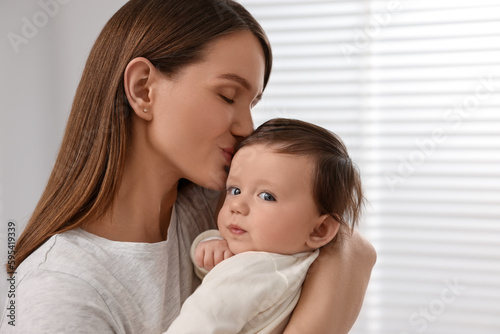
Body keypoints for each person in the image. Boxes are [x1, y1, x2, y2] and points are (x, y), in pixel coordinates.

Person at [0, 1, 375, 333]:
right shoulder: (60, 291)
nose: (246, 127)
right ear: (144, 88)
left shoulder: (215, 205)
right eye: (228, 95)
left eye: (252, 103)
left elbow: (351, 248)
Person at [166, 118, 365, 333]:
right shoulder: (303, 265)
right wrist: (212, 245)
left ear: (320, 229)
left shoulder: (247, 272)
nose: (237, 206)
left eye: (266, 196)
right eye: (234, 190)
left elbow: (200, 321)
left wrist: (217, 256)